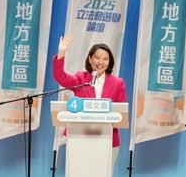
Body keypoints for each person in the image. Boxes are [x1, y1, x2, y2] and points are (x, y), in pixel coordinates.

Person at [51, 33, 128, 162]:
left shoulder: (118, 83)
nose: (100, 62)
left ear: (109, 62)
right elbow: (61, 77)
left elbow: (121, 113)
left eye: (105, 59)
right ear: (90, 59)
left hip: (107, 139)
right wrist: (61, 53)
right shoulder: (81, 78)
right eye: (97, 58)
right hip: (79, 137)